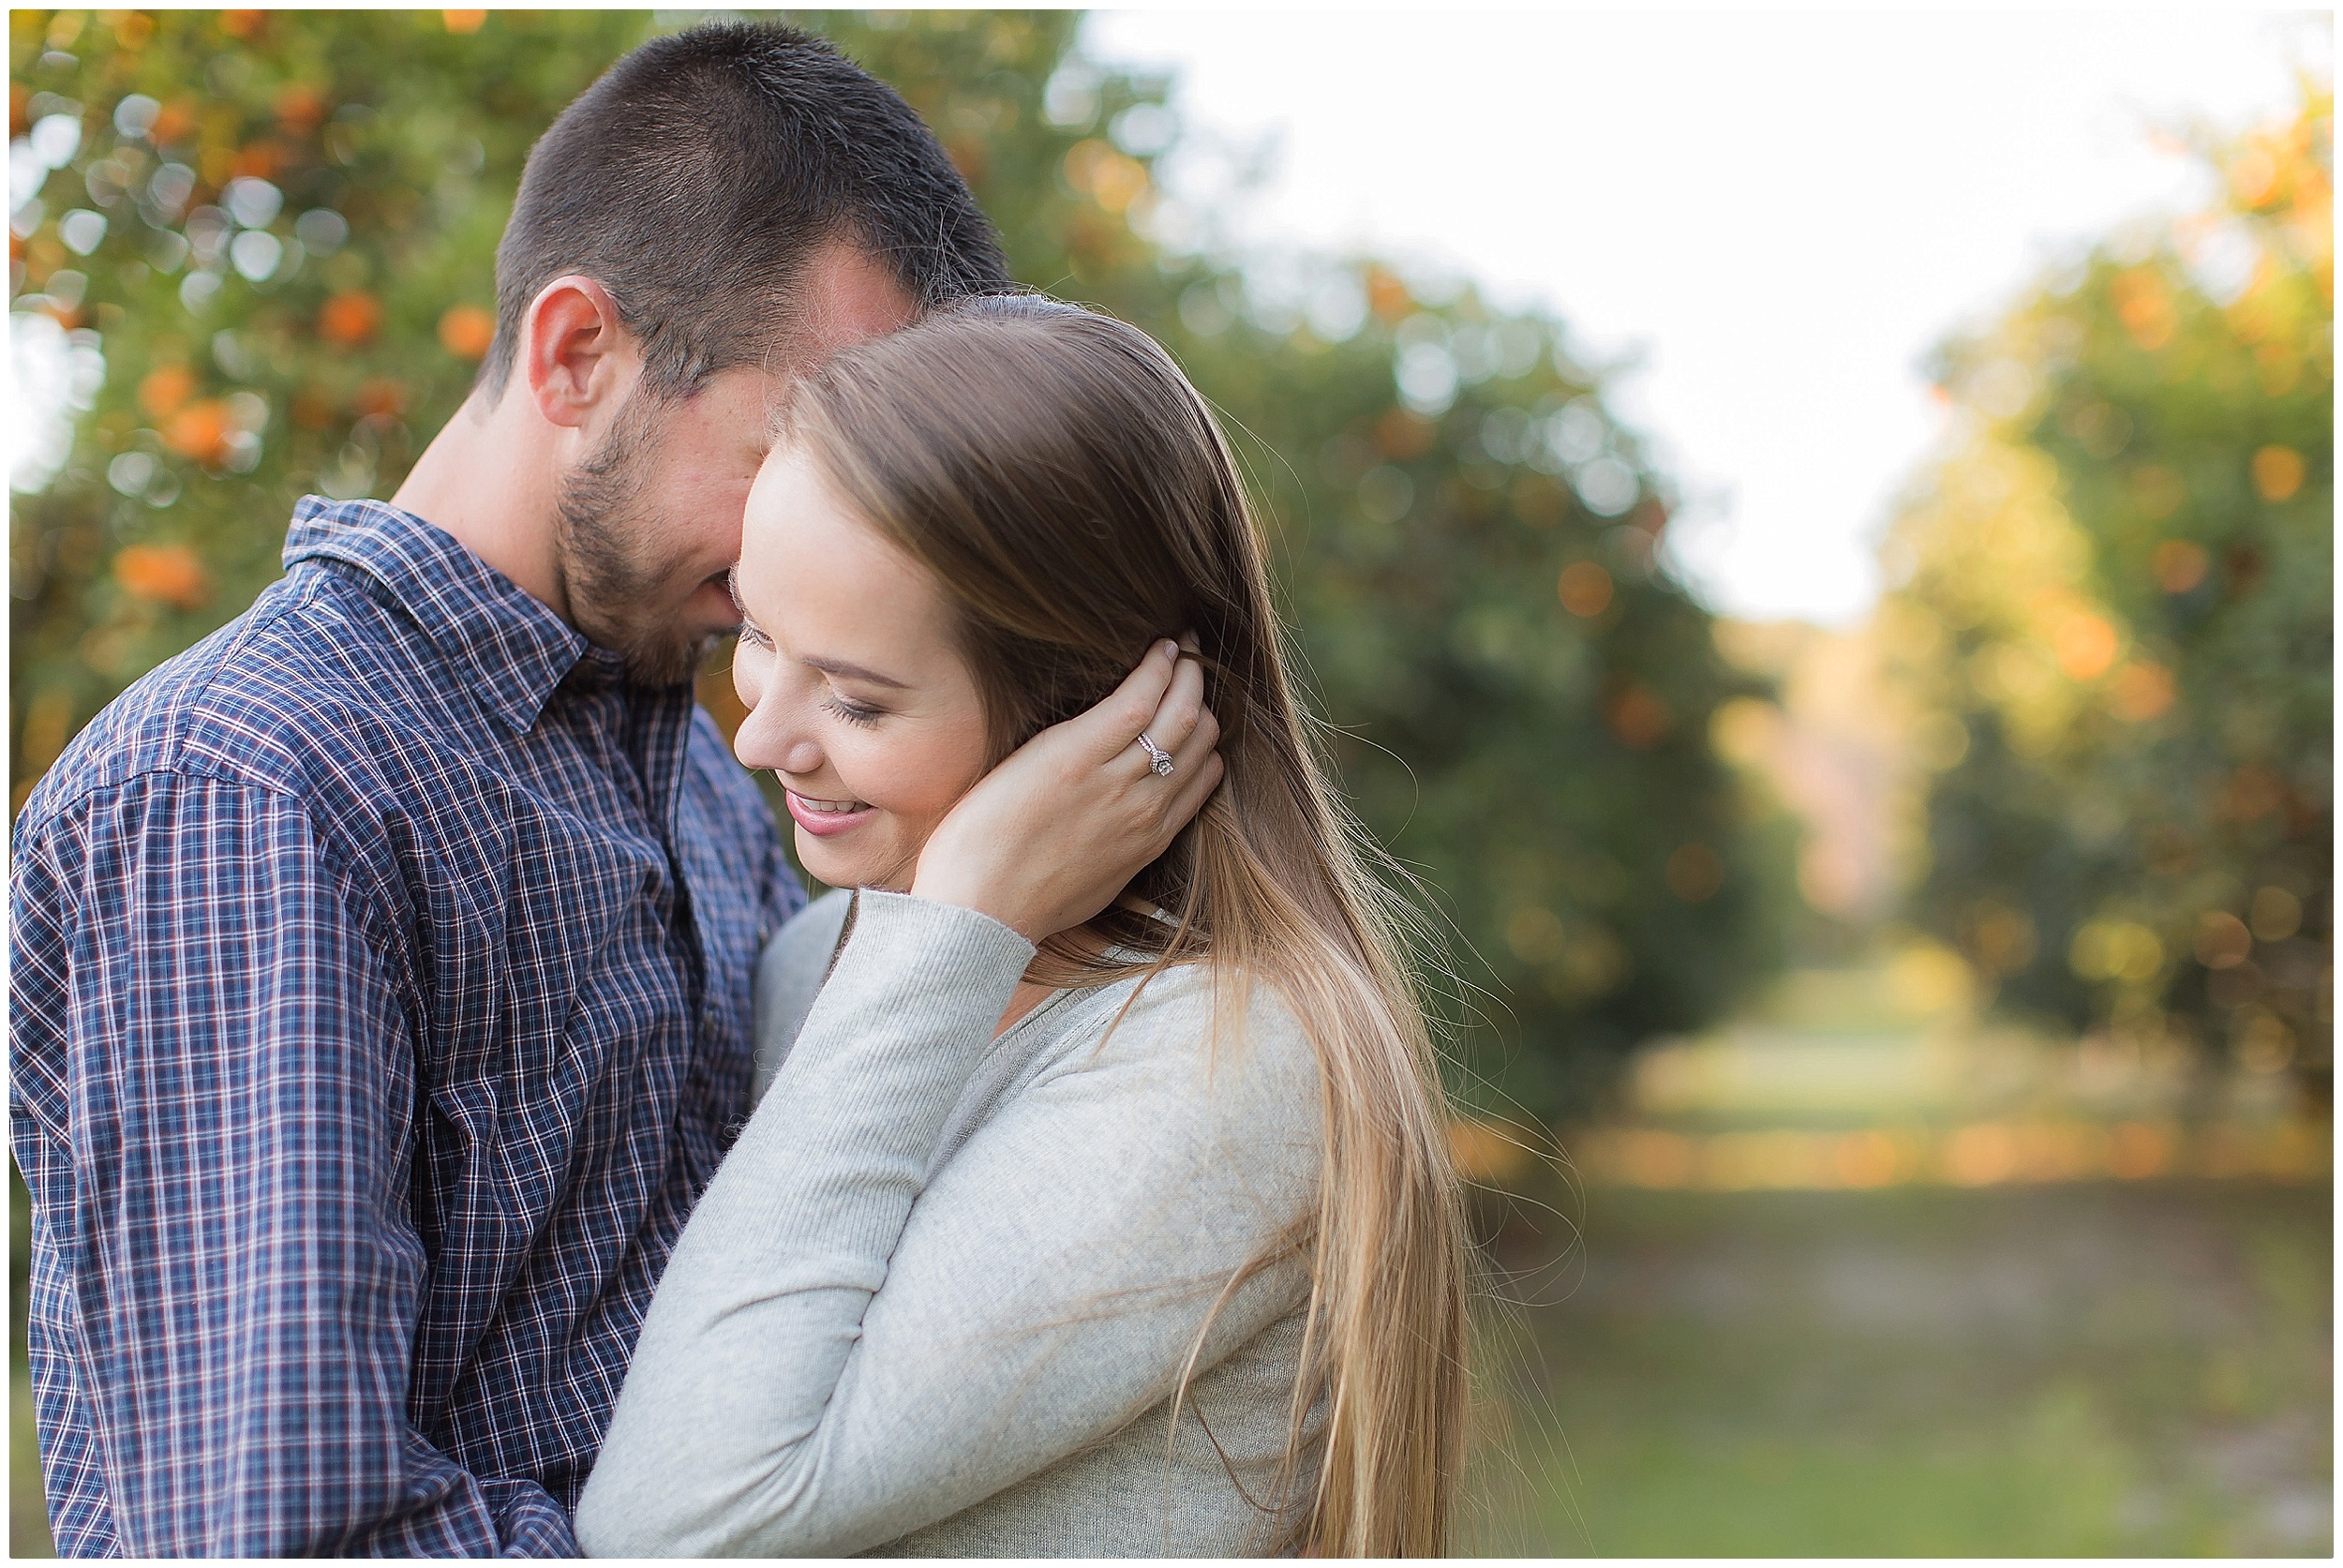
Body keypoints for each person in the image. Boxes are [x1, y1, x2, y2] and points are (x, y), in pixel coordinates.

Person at [8, 24, 1198, 1557]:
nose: (843, 538)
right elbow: (283, 1535)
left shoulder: (705, 764)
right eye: (797, 451)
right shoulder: (253, 785)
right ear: (579, 355)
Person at [572, 295, 1470, 1558]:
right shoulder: (833, 958)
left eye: (863, 700)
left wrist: (959, 916)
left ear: (1087, 716)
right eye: (761, 633)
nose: (758, 733)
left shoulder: (1232, 1065)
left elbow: (674, 1521)